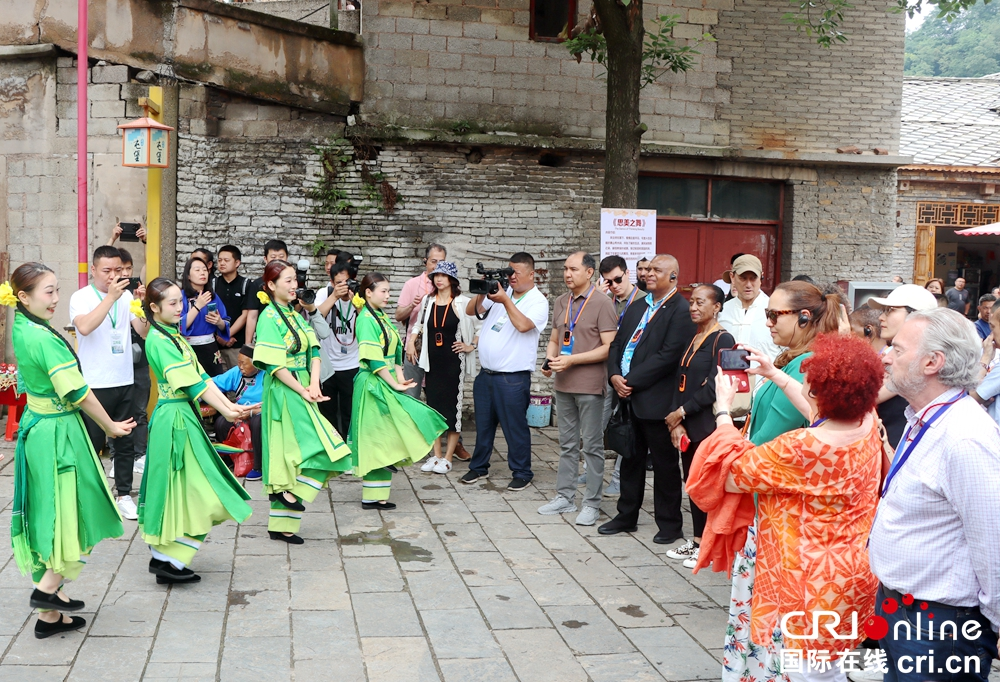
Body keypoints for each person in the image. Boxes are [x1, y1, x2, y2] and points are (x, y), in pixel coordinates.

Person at [695, 333, 885, 682]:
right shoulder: (866, 422)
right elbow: (818, 411)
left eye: (807, 383)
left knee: (805, 672)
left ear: (819, 392)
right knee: (832, 663)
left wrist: (723, 409)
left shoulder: (801, 447)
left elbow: (731, 473)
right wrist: (776, 375)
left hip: (802, 582)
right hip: (851, 573)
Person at [717, 280, 843, 682]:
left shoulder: (807, 366)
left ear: (805, 317)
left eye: (775, 314)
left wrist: (722, 415)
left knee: (771, 619)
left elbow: (768, 447)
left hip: (780, 511)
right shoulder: (791, 361)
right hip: (771, 507)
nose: (768, 321)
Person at [873, 308, 1000, 682]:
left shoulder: (965, 437)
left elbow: (992, 540)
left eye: (897, 348)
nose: (885, 355)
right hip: (905, 612)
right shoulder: (926, 418)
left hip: (940, 626)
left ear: (932, 362)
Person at [7, 262, 131, 639]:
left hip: (40, 428)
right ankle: (45, 592)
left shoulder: (23, 326)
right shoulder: (42, 337)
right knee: (74, 511)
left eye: (57, 290)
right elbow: (77, 392)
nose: (56, 299)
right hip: (58, 433)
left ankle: (49, 617)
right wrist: (110, 426)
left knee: (50, 512)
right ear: (23, 297)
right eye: (48, 292)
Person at [140, 278, 253, 583]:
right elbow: (192, 384)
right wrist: (229, 410)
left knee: (186, 485)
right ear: (154, 307)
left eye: (182, 301)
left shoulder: (174, 337)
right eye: (173, 303)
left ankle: (167, 559)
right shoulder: (160, 341)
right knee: (186, 485)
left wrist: (229, 408)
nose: (180, 308)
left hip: (182, 416)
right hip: (174, 419)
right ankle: (166, 557)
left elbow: (202, 377)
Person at [253, 260, 353, 542]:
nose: (294, 285)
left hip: (303, 388)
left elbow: (316, 349)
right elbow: (274, 366)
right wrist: (302, 389)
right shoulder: (268, 317)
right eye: (287, 280)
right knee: (304, 448)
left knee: (312, 448)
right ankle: (283, 495)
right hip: (284, 389)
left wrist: (313, 383)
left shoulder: (296, 314)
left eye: (294, 279)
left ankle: (283, 518)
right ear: (271, 286)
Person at [598, 254, 696, 542]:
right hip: (626, 396)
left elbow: (668, 356)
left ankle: (669, 525)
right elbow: (617, 343)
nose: (649, 273)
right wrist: (614, 375)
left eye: (657, 270)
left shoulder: (681, 309)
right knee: (629, 458)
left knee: (665, 466)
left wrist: (630, 381)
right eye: (648, 269)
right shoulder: (638, 305)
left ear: (674, 276)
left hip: (656, 400)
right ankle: (626, 516)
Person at [348, 273, 447, 505]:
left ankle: (378, 497)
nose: (387, 296)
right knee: (377, 437)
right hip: (372, 384)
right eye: (383, 291)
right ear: (368, 292)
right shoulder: (365, 319)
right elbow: (374, 359)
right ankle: (374, 494)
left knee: (390, 432)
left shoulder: (381, 317)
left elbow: (394, 356)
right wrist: (394, 383)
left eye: (388, 291)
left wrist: (400, 379)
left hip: (386, 381)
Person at [537, 252, 618, 525]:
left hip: (590, 386)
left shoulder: (602, 303)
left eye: (573, 269)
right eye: (565, 269)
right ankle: (565, 496)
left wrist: (572, 359)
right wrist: (550, 361)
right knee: (567, 444)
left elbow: (609, 347)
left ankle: (592, 503)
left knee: (592, 446)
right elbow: (555, 338)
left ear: (589, 273)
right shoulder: (562, 301)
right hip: (563, 384)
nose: (567, 274)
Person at [69, 245, 149, 520]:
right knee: (92, 443)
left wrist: (140, 307)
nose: (113, 275)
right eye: (107, 271)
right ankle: (91, 495)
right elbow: (85, 327)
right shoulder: (81, 297)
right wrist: (111, 298)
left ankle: (124, 494)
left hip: (124, 378)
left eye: (118, 270)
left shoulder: (126, 296)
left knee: (125, 442)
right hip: (93, 384)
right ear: (94, 271)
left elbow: (142, 332)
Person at [460, 252, 550, 490]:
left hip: (512, 378)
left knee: (515, 428)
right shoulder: (502, 291)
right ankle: (478, 468)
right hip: (486, 375)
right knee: (483, 426)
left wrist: (505, 300)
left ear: (531, 274)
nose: (511, 277)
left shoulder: (538, 301)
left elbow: (522, 326)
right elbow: (470, 310)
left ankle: (522, 471)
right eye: (509, 272)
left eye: (516, 273)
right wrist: (483, 290)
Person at [663, 284, 734, 569]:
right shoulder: (694, 338)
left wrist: (682, 411)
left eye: (700, 302)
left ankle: (709, 543)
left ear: (717, 306)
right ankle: (695, 539)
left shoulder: (723, 338)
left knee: (706, 486)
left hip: (706, 424)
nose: (693, 307)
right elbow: (681, 381)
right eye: (691, 302)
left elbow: (716, 386)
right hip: (686, 424)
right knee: (692, 484)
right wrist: (675, 421)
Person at [408, 262, 478, 474]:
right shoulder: (428, 301)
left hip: (453, 363)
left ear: (452, 280)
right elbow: (419, 324)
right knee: (433, 407)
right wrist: (411, 341)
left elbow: (481, 326)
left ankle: (448, 457)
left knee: (452, 409)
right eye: (436, 276)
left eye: (444, 276)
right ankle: (436, 455)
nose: (439, 279)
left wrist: (471, 345)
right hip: (432, 361)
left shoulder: (463, 302)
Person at [867, 284, 938, 447]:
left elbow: (867, 398)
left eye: (890, 310)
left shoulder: (920, 358)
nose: (881, 317)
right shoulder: (891, 353)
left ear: (916, 315)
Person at [598, 255, 642, 496]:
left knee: (627, 428)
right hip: (608, 372)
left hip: (631, 376)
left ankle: (617, 478)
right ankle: (592, 468)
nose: (614, 285)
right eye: (608, 282)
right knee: (598, 425)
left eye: (617, 279)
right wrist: (599, 298)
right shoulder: (606, 301)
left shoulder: (643, 301)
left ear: (627, 274)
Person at [314, 261, 360, 438]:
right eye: (339, 282)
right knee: (328, 412)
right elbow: (315, 318)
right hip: (328, 365)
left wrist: (356, 299)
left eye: (346, 281)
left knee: (351, 411)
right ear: (332, 283)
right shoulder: (324, 294)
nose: (343, 286)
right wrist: (334, 297)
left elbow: (368, 319)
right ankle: (333, 448)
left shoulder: (359, 294)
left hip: (352, 363)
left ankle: (351, 449)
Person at [395, 243, 447, 399]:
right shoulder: (412, 284)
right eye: (433, 261)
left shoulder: (447, 285)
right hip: (414, 348)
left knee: (437, 396)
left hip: (438, 348)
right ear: (425, 261)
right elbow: (398, 315)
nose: (437, 266)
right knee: (411, 395)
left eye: (442, 262)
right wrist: (413, 305)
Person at [212, 345, 265, 480]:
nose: (240, 366)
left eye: (244, 363)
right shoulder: (236, 372)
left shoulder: (267, 375)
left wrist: (251, 412)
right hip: (239, 410)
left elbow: (274, 403)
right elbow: (213, 384)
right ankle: (231, 459)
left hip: (259, 411)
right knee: (221, 422)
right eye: (238, 362)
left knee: (257, 422)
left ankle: (258, 466)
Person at [718, 254, 782, 362]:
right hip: (728, 377)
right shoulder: (722, 311)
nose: (748, 284)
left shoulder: (776, 310)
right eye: (743, 278)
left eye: (753, 278)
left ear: (761, 277)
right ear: (732, 277)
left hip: (766, 378)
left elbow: (788, 353)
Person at [119, 248, 149, 475]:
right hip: (117, 361)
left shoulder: (133, 293)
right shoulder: (104, 296)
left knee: (139, 409)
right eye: (120, 269)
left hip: (138, 359)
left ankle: (141, 453)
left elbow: (144, 329)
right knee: (117, 412)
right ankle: (121, 456)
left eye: (128, 268)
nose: (124, 273)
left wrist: (141, 304)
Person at [180, 257, 229, 377]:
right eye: (197, 270)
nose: (202, 273)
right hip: (189, 348)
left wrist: (219, 322)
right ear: (188, 276)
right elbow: (179, 325)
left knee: (215, 385)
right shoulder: (181, 297)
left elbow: (225, 321)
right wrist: (197, 306)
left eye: (205, 270)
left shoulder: (212, 296)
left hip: (210, 348)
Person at [244, 239, 289, 345]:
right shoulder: (257, 284)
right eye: (273, 257)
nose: (277, 260)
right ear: (265, 259)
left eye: (281, 256)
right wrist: (247, 344)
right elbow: (252, 316)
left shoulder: (293, 283)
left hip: (290, 337)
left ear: (287, 257)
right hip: (265, 338)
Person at [214, 245, 251, 370]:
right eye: (219, 260)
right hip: (215, 345)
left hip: (237, 345)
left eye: (226, 260)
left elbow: (245, 315)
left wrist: (227, 335)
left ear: (237, 263)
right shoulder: (213, 284)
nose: (222, 263)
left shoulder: (246, 284)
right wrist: (219, 336)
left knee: (239, 381)